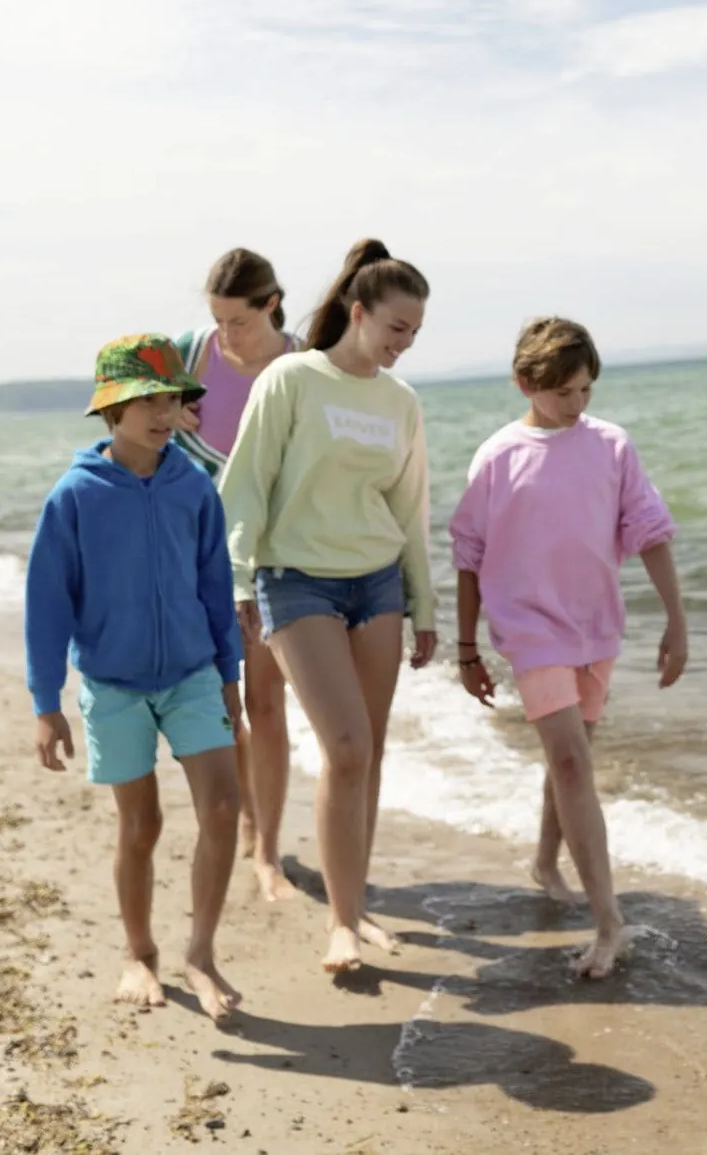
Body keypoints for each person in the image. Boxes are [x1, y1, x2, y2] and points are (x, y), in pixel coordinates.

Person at [219, 238, 436, 976]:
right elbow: (244, 485)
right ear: (358, 311)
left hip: (377, 583)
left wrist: (425, 603)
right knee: (344, 748)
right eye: (395, 327)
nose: (403, 343)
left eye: (414, 332)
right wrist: (241, 579)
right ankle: (340, 925)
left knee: (366, 756)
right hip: (295, 580)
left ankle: (356, 907)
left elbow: (410, 509)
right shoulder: (291, 379)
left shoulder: (401, 402)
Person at [449, 316, 688, 980]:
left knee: (572, 755)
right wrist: (467, 649)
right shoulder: (497, 456)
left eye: (585, 390)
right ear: (525, 383)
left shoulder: (611, 445)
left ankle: (547, 860)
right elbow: (469, 557)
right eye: (563, 393)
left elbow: (649, 532)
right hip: (530, 632)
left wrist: (677, 620)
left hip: (595, 627)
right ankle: (608, 920)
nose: (577, 405)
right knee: (573, 763)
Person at [24, 334, 246, 1019]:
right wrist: (45, 700)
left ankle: (201, 952)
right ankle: (138, 950)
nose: (159, 412)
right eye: (142, 399)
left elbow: (216, 585)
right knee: (140, 823)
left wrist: (229, 673)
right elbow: (47, 601)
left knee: (221, 807)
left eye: (171, 398)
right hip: (113, 685)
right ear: (109, 410)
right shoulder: (75, 497)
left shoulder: (193, 487)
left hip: (190, 674)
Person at [170, 248, 305, 904]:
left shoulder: (301, 364)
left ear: (271, 304)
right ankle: (247, 813)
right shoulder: (191, 351)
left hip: (270, 555)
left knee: (267, 700)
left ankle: (270, 848)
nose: (226, 335)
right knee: (226, 701)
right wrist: (169, 407)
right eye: (218, 319)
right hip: (196, 548)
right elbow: (117, 398)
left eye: (239, 322)